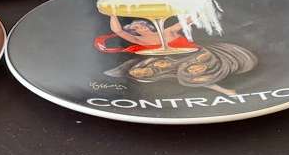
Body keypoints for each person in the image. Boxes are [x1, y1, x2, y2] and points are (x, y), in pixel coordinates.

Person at [96, 14, 257, 97]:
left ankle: (223, 87)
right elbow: (118, 30)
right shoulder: (138, 39)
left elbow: (187, 21)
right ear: (134, 32)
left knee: (194, 67)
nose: (141, 27)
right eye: (137, 27)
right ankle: (224, 91)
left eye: (142, 25)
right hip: (173, 62)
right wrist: (112, 14)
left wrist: (197, 8)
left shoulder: (168, 31)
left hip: (198, 53)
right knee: (186, 74)